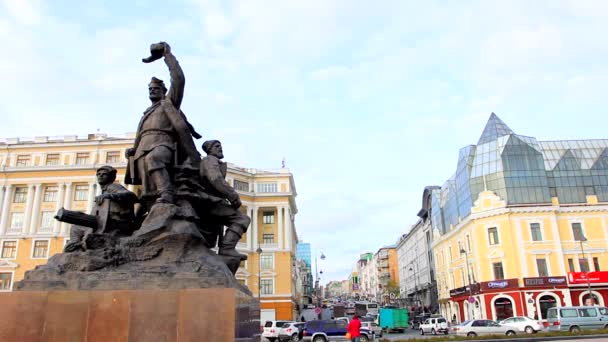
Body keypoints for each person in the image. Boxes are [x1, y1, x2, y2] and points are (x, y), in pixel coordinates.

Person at [125, 41, 201, 207]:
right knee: (148, 190)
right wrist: (134, 148)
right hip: (142, 148)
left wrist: (167, 55)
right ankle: (154, 211)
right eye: (150, 89)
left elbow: (179, 79)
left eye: (156, 89)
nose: (152, 91)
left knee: (155, 159)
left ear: (164, 91)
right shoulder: (146, 113)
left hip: (162, 143)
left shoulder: (169, 103)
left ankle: (167, 192)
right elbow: (140, 133)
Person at [63, 165, 138, 252]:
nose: (100, 176)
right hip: (104, 223)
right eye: (98, 174)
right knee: (76, 227)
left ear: (111, 177)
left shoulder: (113, 187)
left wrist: (109, 195)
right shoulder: (104, 191)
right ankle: (75, 245)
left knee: (81, 229)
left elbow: (131, 196)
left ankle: (78, 246)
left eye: (104, 174)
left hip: (117, 224)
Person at [199, 140, 251, 258]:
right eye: (217, 146)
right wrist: (232, 195)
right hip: (210, 202)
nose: (220, 148)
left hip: (211, 201)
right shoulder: (210, 160)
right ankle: (227, 248)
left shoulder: (211, 161)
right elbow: (216, 178)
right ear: (209, 150)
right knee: (242, 219)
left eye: (221, 146)